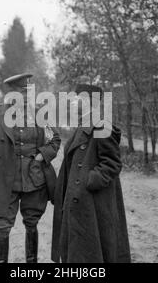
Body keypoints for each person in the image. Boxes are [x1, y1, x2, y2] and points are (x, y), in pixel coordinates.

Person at [0, 73, 61, 263]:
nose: (27, 96)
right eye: (23, 91)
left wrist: (42, 155)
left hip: (34, 180)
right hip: (6, 182)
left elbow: (55, 140)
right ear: (12, 93)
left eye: (29, 91)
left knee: (32, 223)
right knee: (2, 226)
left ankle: (31, 264)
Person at [51, 84, 131, 263]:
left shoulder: (102, 127)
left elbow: (112, 163)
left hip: (92, 204)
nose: (72, 102)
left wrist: (88, 181)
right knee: (78, 252)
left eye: (76, 99)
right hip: (77, 202)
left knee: (91, 252)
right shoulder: (82, 125)